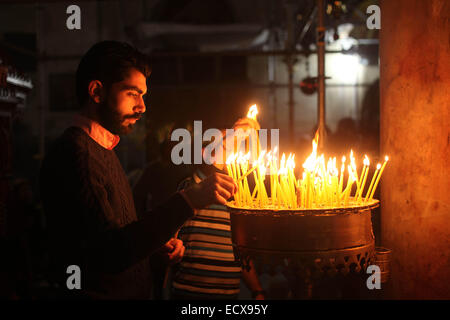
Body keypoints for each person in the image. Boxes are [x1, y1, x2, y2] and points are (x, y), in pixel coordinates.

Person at [39, 41, 236, 299]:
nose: (142, 106)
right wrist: (190, 200)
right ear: (97, 91)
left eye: (142, 95)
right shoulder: (79, 155)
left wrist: (153, 246)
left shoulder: (102, 150)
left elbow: (114, 235)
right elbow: (110, 254)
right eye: (132, 93)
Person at [170, 118, 265, 300]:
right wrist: (236, 134)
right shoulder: (190, 186)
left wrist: (257, 290)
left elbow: (241, 252)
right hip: (189, 295)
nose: (231, 148)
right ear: (204, 153)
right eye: (224, 143)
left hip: (228, 296)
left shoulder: (238, 197)